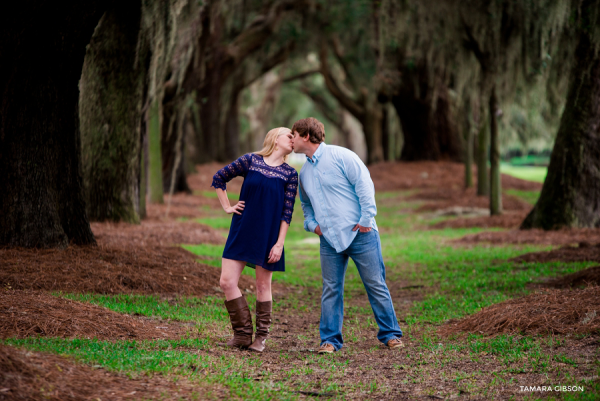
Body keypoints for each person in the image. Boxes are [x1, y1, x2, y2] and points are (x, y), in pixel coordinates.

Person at [291, 117, 403, 353]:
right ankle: (330, 341)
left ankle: (390, 334)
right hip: (329, 241)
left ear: (306, 136)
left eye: (293, 135)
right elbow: (306, 206)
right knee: (331, 289)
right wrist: (314, 227)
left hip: (361, 235)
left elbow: (364, 185)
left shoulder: (342, 156)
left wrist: (365, 220)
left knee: (375, 284)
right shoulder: (304, 173)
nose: (290, 140)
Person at [211, 127, 298, 353]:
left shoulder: (290, 174)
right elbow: (219, 177)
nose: (293, 139)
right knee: (226, 282)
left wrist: (279, 243)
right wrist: (227, 206)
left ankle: (260, 338)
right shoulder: (250, 161)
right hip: (242, 230)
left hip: (269, 235)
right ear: (274, 139)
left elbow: (287, 213)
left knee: (262, 285)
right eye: (289, 135)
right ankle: (241, 334)